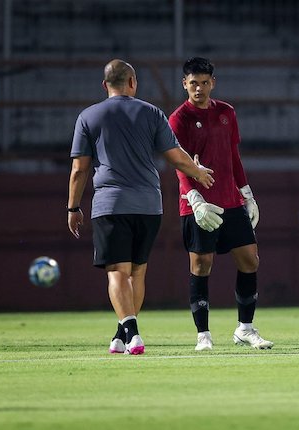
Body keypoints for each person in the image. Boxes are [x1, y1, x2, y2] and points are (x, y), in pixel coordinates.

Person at [67, 59, 214, 355]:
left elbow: (79, 170)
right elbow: (175, 155)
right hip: (149, 205)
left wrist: (73, 207)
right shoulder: (151, 113)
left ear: (104, 84)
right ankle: (121, 334)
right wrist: (198, 173)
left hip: (110, 204)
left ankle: (132, 333)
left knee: (117, 272)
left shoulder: (88, 116)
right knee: (138, 272)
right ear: (133, 82)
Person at [168, 57, 273, 351]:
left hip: (230, 201)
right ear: (184, 84)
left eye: (204, 82)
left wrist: (247, 193)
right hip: (197, 205)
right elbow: (180, 164)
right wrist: (194, 197)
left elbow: (233, 156)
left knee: (250, 260)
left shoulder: (227, 112)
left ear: (213, 82)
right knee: (201, 264)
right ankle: (203, 334)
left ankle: (245, 329)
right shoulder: (179, 119)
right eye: (193, 83)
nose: (199, 88)